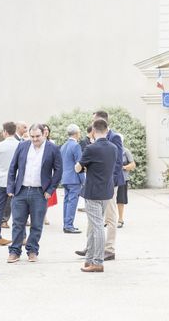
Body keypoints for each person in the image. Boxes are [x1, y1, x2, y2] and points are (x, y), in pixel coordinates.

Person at [6, 123, 62, 263]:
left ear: (44, 134)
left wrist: (50, 190)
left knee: (37, 224)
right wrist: (10, 188)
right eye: (32, 136)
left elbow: (59, 171)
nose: (35, 139)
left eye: (37, 136)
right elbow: (13, 168)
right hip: (21, 191)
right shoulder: (22, 146)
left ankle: (32, 250)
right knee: (18, 223)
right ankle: (14, 251)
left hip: (40, 193)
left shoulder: (53, 149)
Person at [75, 110, 123, 261]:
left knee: (110, 217)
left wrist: (109, 180)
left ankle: (109, 249)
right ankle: (91, 247)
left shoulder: (114, 138)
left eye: (93, 122)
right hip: (97, 183)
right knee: (93, 218)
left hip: (109, 183)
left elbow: (118, 162)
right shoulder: (95, 141)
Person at [0, 122, 19, 246]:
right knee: (18, 209)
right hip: (17, 181)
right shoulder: (21, 145)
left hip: (1, 181)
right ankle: (20, 237)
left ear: (5, 132)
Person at [61, 123, 84, 233]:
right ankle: (69, 225)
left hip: (65, 177)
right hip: (74, 178)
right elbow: (79, 165)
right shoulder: (76, 146)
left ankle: (66, 224)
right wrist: (83, 180)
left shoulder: (64, 145)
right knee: (72, 202)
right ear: (76, 133)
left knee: (66, 201)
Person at [117, 145, 136, 228]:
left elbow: (133, 165)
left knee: (120, 200)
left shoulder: (126, 151)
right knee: (109, 200)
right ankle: (108, 220)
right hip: (111, 179)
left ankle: (120, 219)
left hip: (123, 179)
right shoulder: (110, 149)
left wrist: (124, 167)